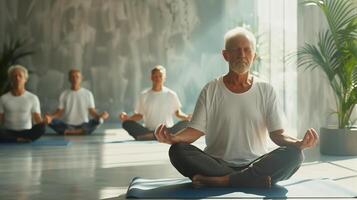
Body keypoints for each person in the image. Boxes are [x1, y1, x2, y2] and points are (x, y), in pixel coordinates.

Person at [155, 27, 319, 188]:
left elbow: (277, 135)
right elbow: (195, 131)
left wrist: (298, 143)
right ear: (226, 55)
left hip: (256, 162)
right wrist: (173, 139)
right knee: (177, 151)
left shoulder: (266, 90)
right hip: (216, 164)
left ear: (253, 56)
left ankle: (223, 181)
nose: (242, 55)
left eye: (247, 50)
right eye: (236, 50)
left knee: (295, 155)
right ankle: (248, 180)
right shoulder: (210, 89)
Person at [119, 65, 191, 140]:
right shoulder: (144, 95)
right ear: (151, 77)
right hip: (148, 130)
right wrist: (128, 118)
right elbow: (139, 115)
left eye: (160, 76)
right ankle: (157, 135)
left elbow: (178, 113)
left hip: (166, 129)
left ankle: (153, 136)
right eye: (155, 76)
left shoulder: (171, 94)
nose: (158, 78)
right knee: (126, 123)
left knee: (187, 122)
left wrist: (187, 117)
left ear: (164, 78)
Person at [45, 69, 109, 135]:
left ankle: (70, 132)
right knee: (50, 121)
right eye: (72, 77)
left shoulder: (88, 94)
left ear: (81, 79)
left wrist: (100, 116)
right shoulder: (64, 94)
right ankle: (80, 131)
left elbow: (92, 111)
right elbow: (59, 113)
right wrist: (50, 117)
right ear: (69, 79)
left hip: (84, 125)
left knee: (100, 120)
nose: (75, 79)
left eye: (77, 77)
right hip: (67, 125)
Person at [0, 65, 45, 142]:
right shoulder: (3, 98)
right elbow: (1, 119)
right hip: (9, 132)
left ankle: (16, 139)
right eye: (14, 76)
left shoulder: (33, 98)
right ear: (11, 79)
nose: (17, 78)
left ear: (25, 79)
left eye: (20, 76)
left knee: (42, 128)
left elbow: (37, 118)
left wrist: (43, 122)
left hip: (27, 132)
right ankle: (17, 139)